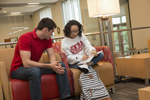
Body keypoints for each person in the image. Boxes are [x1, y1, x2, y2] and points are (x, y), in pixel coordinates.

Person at [10, 18, 71, 100]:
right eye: (52, 32)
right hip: (18, 69)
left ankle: (65, 97)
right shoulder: (25, 38)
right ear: (46, 30)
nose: (52, 34)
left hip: (33, 67)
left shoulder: (47, 39)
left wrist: (53, 64)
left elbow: (52, 55)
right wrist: (50, 66)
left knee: (61, 65)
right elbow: (26, 63)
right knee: (35, 71)